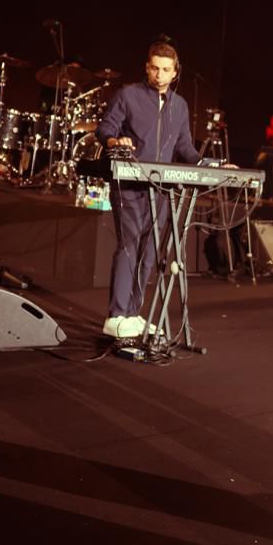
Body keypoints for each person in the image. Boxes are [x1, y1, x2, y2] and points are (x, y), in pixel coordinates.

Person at [95, 40, 204, 339]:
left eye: (166, 70)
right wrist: (115, 142)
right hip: (129, 184)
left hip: (160, 188)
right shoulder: (128, 95)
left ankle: (132, 314)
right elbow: (105, 129)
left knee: (149, 251)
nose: (160, 75)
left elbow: (184, 146)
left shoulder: (179, 106)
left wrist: (208, 165)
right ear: (147, 68)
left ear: (175, 72)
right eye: (155, 68)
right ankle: (116, 316)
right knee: (129, 245)